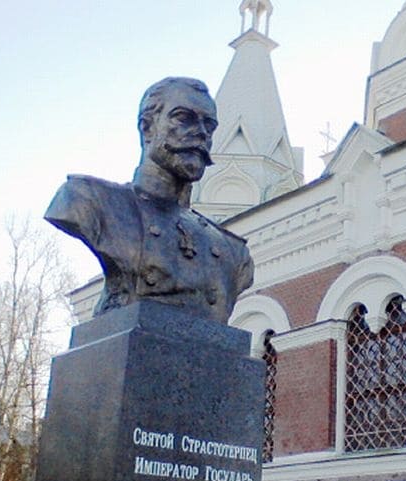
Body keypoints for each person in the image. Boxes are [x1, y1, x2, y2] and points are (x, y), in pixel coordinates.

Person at [45, 77, 253, 324]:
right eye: (183, 118)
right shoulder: (89, 200)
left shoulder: (234, 254)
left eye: (209, 125)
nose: (201, 133)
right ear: (147, 127)